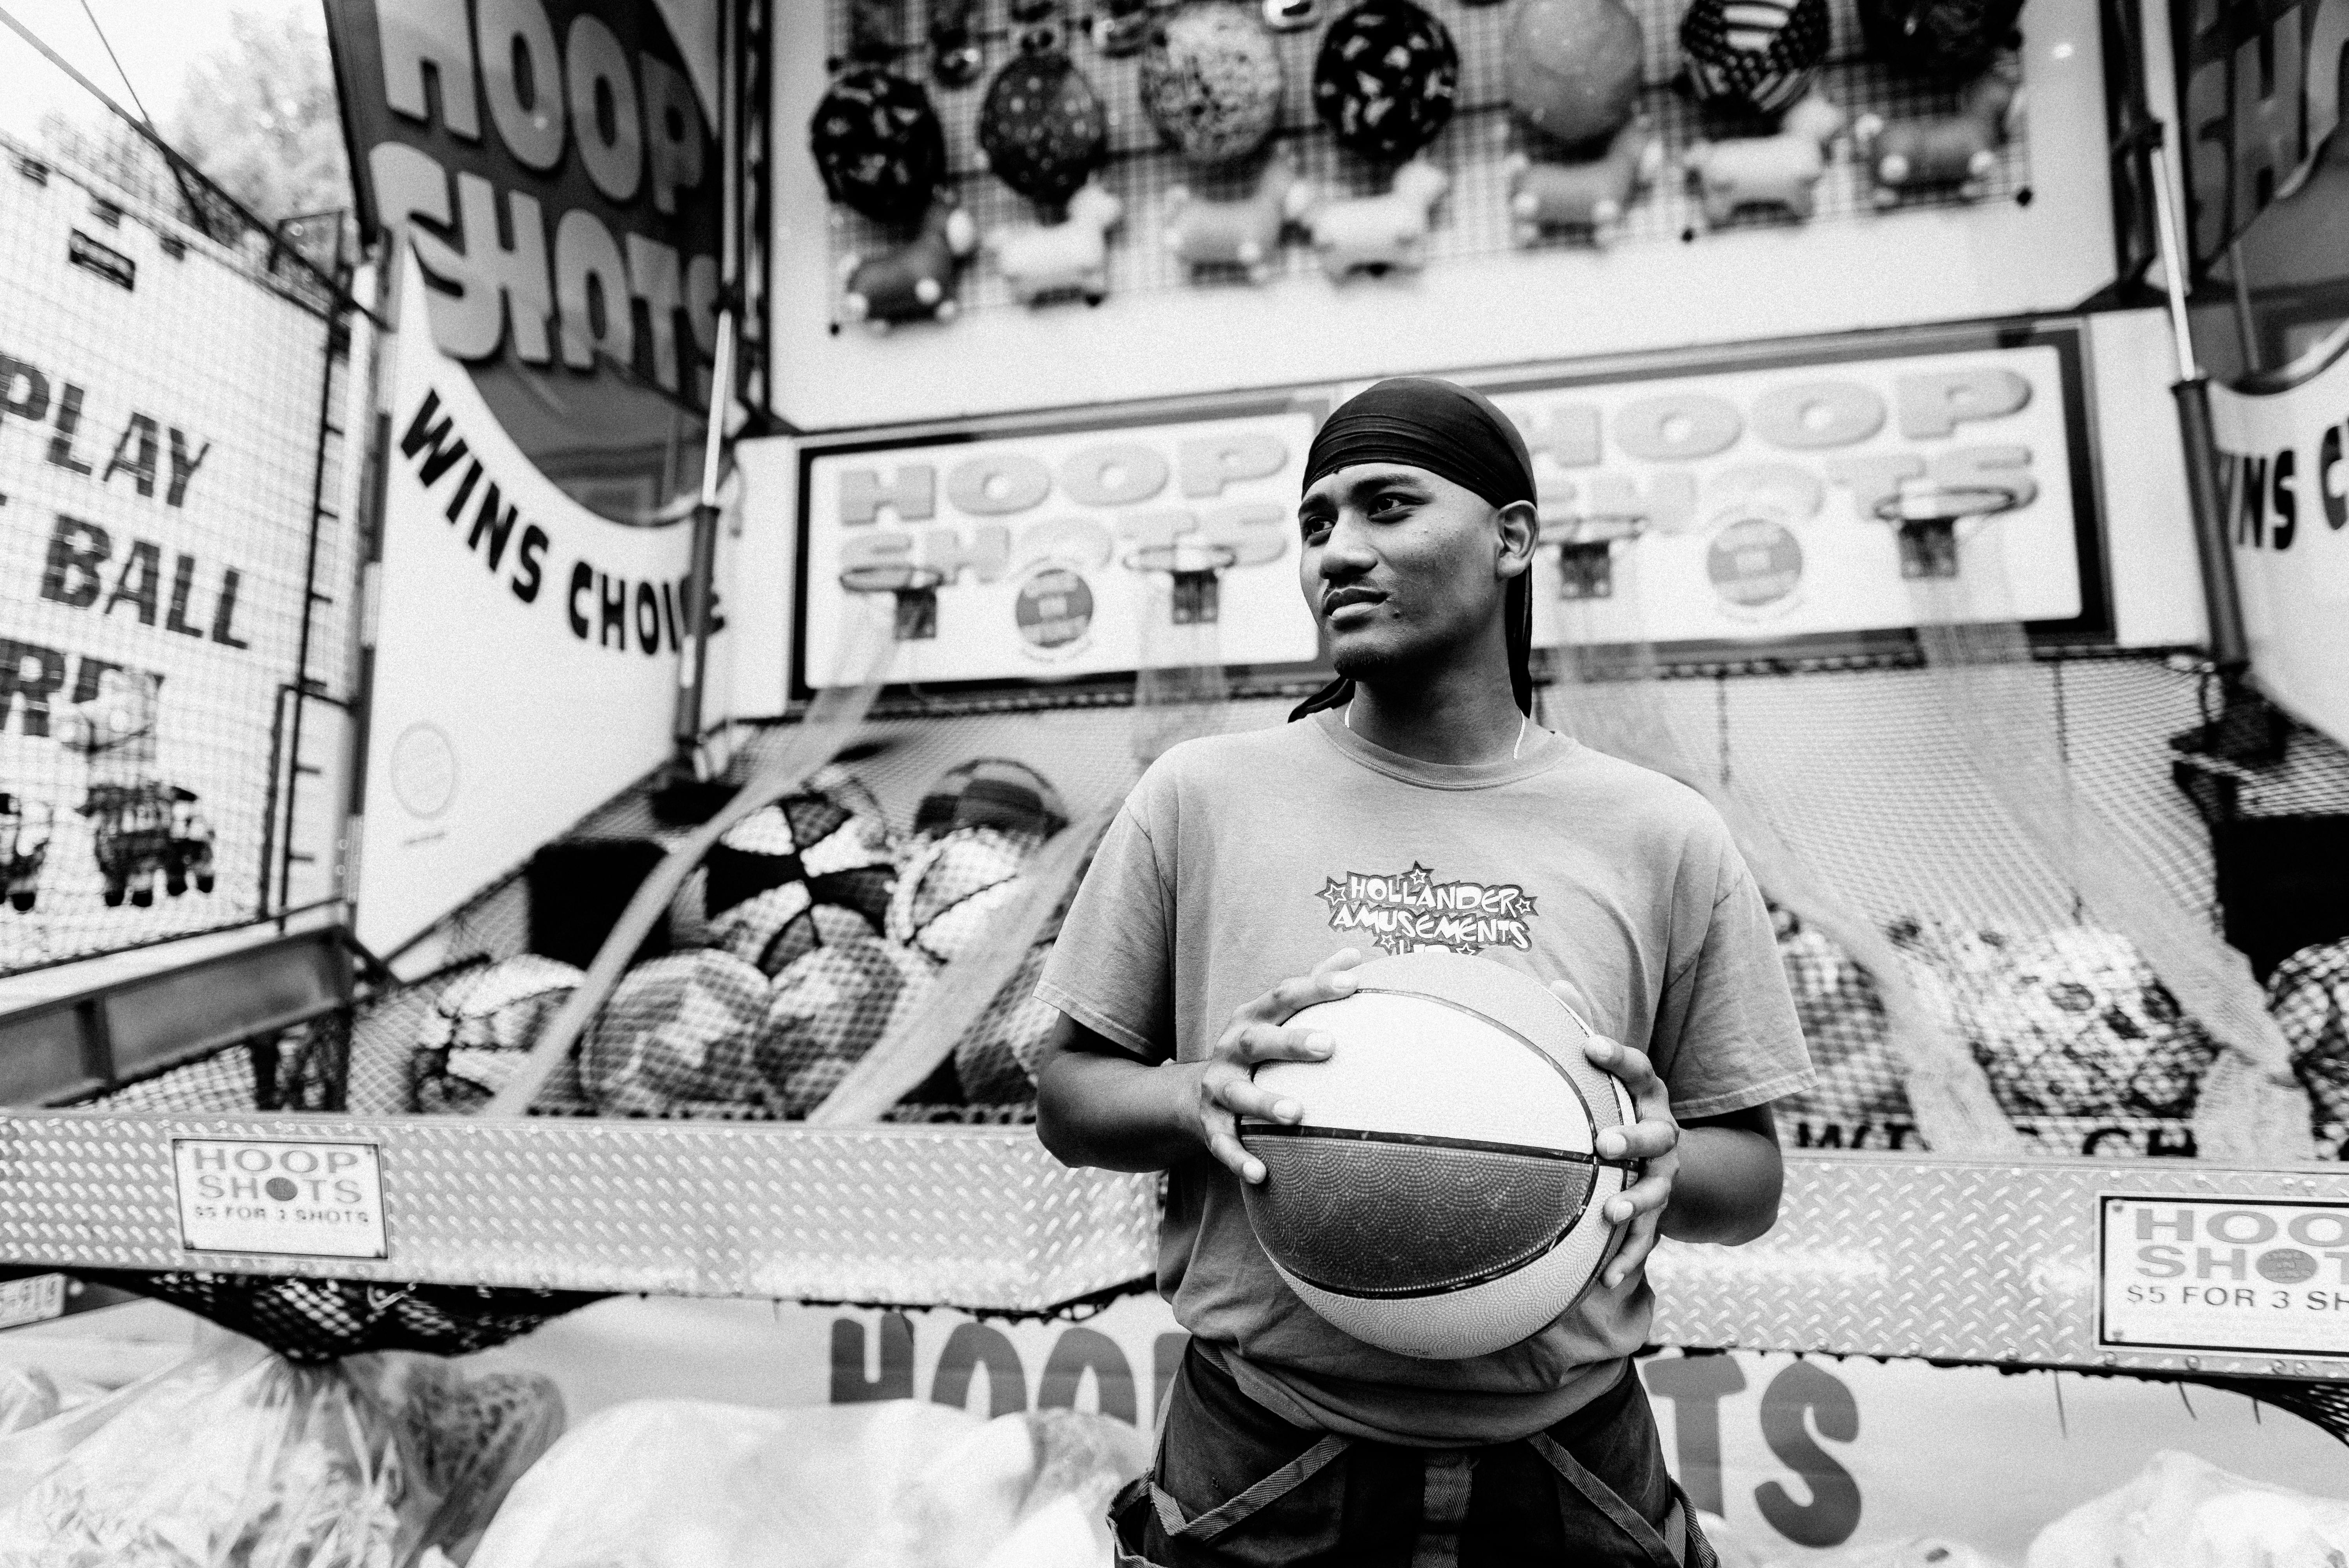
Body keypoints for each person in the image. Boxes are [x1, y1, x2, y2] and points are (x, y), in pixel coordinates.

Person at [1034, 377, 1813, 1567]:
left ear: (1512, 538)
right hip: (1263, 1452)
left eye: (1387, 506)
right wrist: (1197, 1095)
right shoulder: (1201, 796)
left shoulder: (1659, 830)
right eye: (1316, 524)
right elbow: (1070, 1100)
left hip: (1568, 1458)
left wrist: (1661, 1160)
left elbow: (1748, 1180)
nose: (1340, 551)